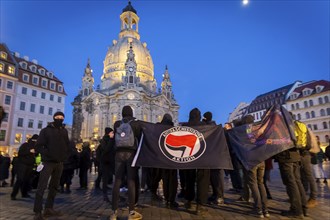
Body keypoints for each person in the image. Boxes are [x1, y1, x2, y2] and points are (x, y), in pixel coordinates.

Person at [33, 111, 70, 220]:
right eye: (57, 117)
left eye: (62, 117)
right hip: (48, 162)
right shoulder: (45, 131)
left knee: (54, 187)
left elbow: (67, 145)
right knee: (42, 186)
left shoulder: (64, 131)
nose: (60, 118)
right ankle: (37, 211)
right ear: (54, 118)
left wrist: (64, 156)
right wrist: (47, 154)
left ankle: (49, 208)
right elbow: (38, 146)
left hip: (59, 163)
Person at [110, 105, 142, 220]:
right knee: (131, 181)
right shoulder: (136, 123)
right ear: (131, 112)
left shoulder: (117, 124)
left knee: (117, 181)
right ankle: (131, 212)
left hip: (118, 154)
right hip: (131, 154)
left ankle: (114, 212)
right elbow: (140, 137)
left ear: (122, 113)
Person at [274, 118, 307, 219]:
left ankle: (296, 210)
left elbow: (280, 142)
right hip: (295, 155)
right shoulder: (293, 124)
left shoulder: (282, 127)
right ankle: (303, 207)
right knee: (297, 181)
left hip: (286, 157)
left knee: (291, 183)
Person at [182, 108, 210, 214]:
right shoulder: (205, 126)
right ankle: (200, 205)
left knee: (189, 179)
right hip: (203, 157)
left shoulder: (184, 126)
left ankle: (188, 200)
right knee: (203, 180)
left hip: (189, 156)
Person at [203, 111, 225, 206]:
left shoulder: (210, 128)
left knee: (217, 178)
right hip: (216, 156)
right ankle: (216, 194)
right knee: (214, 177)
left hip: (215, 157)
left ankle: (219, 196)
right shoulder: (216, 127)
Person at [11, 134, 39, 200]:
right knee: (20, 179)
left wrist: (36, 153)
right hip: (22, 164)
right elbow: (20, 153)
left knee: (27, 180)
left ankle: (24, 193)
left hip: (30, 165)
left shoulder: (36, 146)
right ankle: (13, 194)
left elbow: (36, 155)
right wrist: (29, 151)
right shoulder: (25, 145)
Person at [160, 114, 179, 209]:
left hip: (162, 159)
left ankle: (166, 197)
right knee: (173, 179)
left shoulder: (158, 128)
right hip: (172, 158)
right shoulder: (173, 128)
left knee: (165, 178)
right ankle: (171, 199)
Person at [98, 127, 115, 202]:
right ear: (108, 133)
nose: (113, 134)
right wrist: (111, 140)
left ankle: (116, 194)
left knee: (117, 176)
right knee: (105, 178)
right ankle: (105, 195)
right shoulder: (104, 140)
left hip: (111, 161)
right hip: (105, 162)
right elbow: (106, 150)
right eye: (112, 132)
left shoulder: (111, 140)